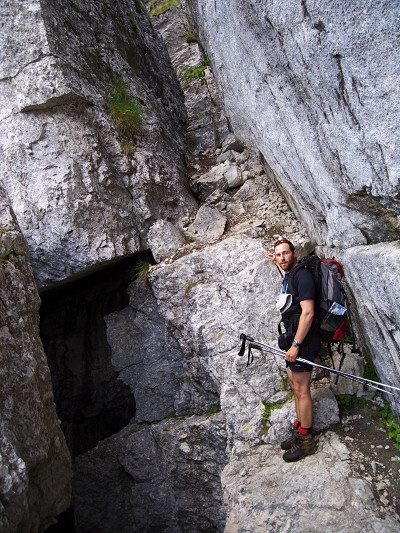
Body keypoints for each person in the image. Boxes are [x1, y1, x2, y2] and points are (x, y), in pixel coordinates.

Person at [267, 238, 320, 462]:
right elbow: (285, 272)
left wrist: (296, 345)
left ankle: (306, 441)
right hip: (294, 337)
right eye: (278, 254)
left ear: (294, 253)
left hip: (303, 340)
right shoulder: (290, 274)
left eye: (286, 254)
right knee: (294, 385)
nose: (282, 258)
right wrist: (277, 263)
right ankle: (299, 431)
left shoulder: (302, 276)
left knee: (302, 389)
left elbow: (308, 312)